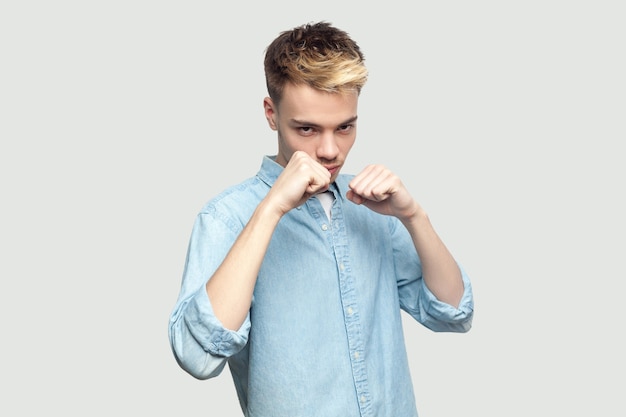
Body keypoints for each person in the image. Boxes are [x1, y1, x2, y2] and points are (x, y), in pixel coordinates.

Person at [168, 21, 474, 417]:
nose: (330, 150)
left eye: (345, 127)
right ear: (270, 113)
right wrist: (271, 209)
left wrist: (413, 216)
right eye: (307, 128)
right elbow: (197, 356)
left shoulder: (372, 206)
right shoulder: (226, 218)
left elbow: (454, 312)